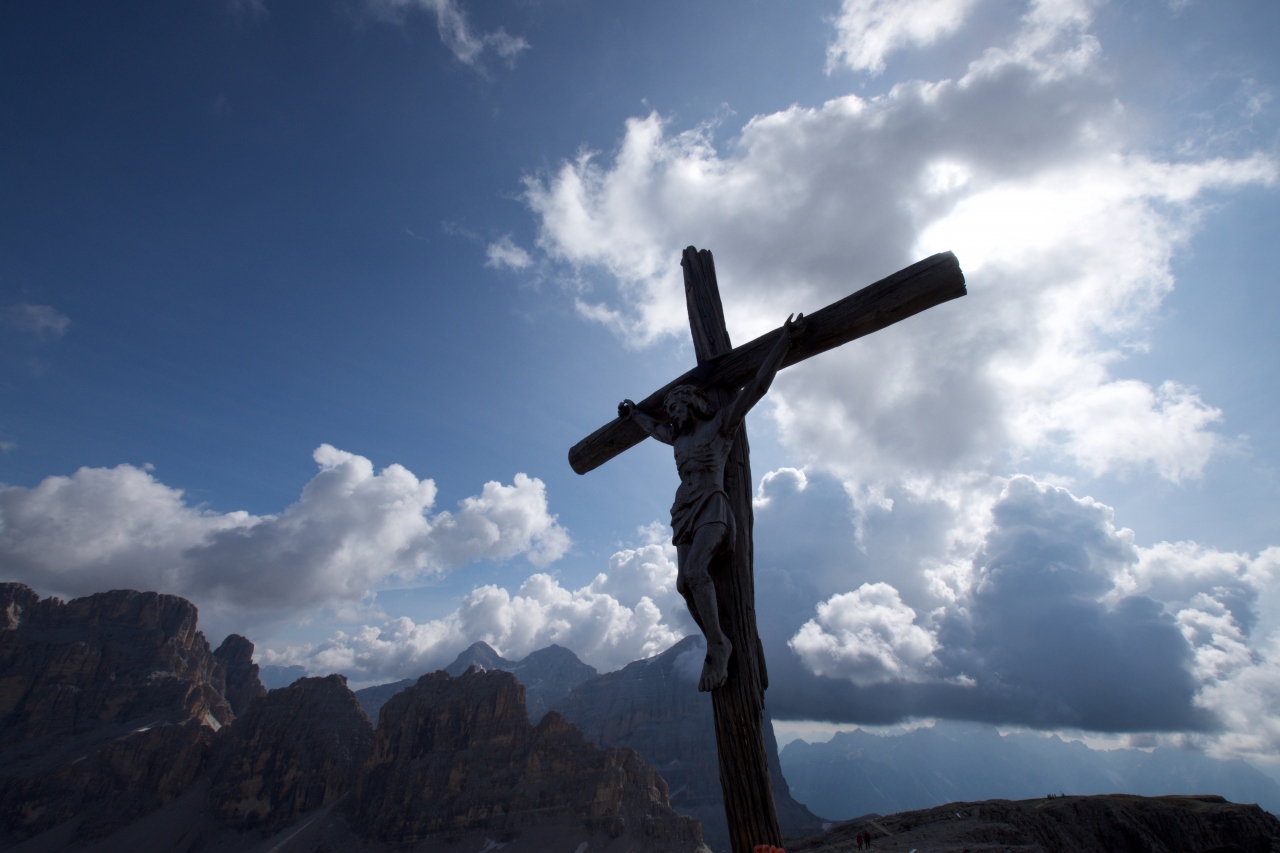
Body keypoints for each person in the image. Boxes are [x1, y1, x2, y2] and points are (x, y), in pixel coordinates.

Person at [620, 312, 805, 691]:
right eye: (669, 409)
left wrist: (783, 343)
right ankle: (716, 639)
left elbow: (756, 388)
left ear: (692, 402)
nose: (671, 413)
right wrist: (635, 413)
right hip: (683, 510)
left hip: (712, 504)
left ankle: (719, 644)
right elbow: (653, 428)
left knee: (695, 573)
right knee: (683, 585)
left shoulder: (720, 424)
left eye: (676, 406)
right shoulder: (679, 438)